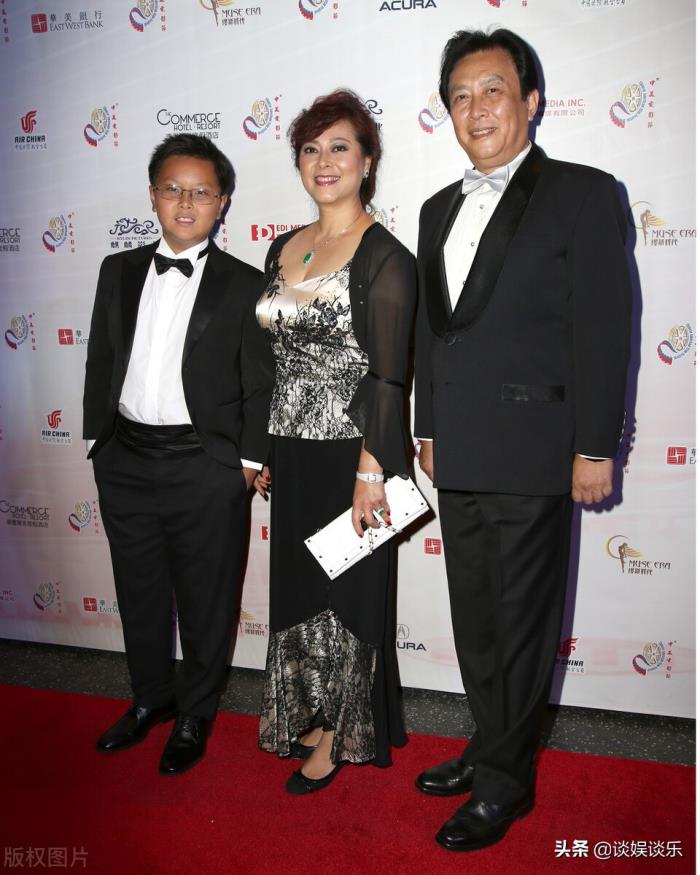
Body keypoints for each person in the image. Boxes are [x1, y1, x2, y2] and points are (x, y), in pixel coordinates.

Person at [414, 30, 631, 851]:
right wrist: (428, 425)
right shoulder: (437, 207)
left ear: (531, 101)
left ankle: (506, 782)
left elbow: (603, 327)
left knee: (522, 620)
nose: (476, 109)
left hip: (538, 448)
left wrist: (595, 445)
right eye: (460, 96)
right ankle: (488, 741)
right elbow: (433, 331)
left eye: (493, 90)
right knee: (475, 617)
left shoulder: (583, 193)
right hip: (460, 448)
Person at [83, 133, 273, 775]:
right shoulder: (116, 270)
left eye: (201, 192)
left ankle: (195, 713)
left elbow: (260, 383)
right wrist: (98, 440)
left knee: (205, 599)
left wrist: (245, 464)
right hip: (126, 459)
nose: (185, 203)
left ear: (222, 203)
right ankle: (149, 699)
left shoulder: (246, 283)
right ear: (152, 195)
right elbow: (101, 356)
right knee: (137, 589)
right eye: (172, 188)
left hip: (205, 466)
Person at [254, 90, 415, 793]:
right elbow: (273, 360)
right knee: (300, 588)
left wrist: (371, 472)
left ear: (367, 160)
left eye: (340, 147)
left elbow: (388, 375)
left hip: (353, 453)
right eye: (311, 148)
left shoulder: (385, 256)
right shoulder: (283, 245)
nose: (324, 161)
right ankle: (314, 711)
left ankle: (342, 732)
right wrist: (265, 447)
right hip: (292, 450)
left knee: (347, 591)